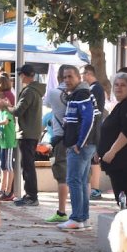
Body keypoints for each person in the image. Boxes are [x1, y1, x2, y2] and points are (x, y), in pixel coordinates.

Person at [58, 65, 100, 231]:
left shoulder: (81, 94)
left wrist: (79, 143)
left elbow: (89, 119)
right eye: (64, 77)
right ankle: (83, 218)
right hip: (84, 145)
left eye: (70, 77)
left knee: (74, 180)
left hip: (81, 146)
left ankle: (76, 218)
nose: (66, 80)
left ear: (78, 78)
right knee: (81, 181)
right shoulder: (78, 94)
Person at [97, 72, 127, 208]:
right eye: (116, 85)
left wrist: (111, 152)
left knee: (126, 201)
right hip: (117, 163)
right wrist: (99, 151)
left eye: (123, 85)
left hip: (125, 162)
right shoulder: (121, 105)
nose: (118, 88)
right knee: (122, 200)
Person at [11, 64, 46, 207]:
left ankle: (32, 196)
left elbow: (18, 111)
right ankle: (29, 195)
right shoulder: (36, 90)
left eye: (20, 75)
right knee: (27, 165)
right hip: (31, 132)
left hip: (27, 133)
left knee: (27, 166)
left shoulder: (29, 92)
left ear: (24, 75)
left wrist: (6, 106)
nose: (20, 78)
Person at [43, 66, 71, 223]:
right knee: (81, 178)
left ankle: (61, 212)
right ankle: (82, 211)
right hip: (78, 139)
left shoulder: (54, 93)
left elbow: (47, 104)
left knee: (62, 176)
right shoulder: (78, 94)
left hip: (60, 138)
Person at [81, 65, 107, 200]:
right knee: (93, 160)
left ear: (88, 74)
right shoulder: (96, 88)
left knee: (94, 160)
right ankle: (93, 188)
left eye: (82, 74)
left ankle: (95, 189)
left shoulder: (94, 89)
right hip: (95, 127)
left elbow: (93, 112)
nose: (81, 77)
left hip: (94, 128)